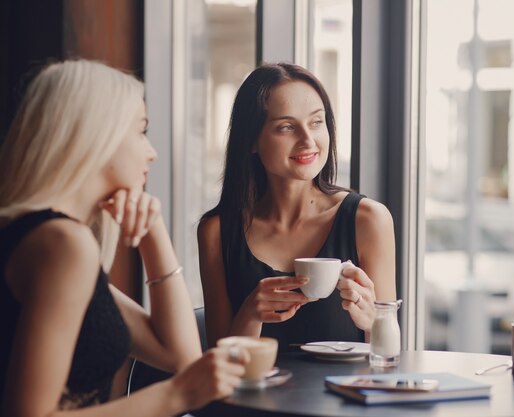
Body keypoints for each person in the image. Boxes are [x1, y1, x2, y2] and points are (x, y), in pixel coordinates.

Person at [0, 60, 248, 417]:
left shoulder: (43, 238)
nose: (152, 151)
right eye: (141, 130)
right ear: (96, 133)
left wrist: (153, 231)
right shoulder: (64, 245)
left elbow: (177, 355)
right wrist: (175, 396)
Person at [197, 62, 396, 351]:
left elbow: (390, 361)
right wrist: (251, 313)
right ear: (252, 140)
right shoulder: (216, 231)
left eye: (317, 122)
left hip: (341, 396)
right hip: (252, 396)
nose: (308, 140)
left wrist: (373, 324)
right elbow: (219, 365)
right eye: (287, 127)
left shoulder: (368, 220)